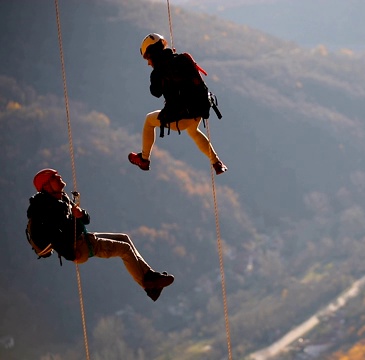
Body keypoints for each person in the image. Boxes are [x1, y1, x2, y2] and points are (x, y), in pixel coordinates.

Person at [26, 168, 175, 301]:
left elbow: (87, 220)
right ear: (46, 186)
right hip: (79, 247)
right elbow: (53, 236)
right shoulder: (49, 209)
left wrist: (81, 214)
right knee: (124, 249)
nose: (59, 177)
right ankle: (148, 285)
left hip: (82, 238)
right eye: (54, 177)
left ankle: (150, 276)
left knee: (124, 238)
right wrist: (70, 254)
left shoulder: (62, 199)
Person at [128, 33, 228, 175]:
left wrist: (157, 75)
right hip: (199, 110)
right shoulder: (180, 59)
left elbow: (155, 92)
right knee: (193, 131)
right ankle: (217, 163)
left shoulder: (158, 71)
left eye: (147, 58)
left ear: (152, 54)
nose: (148, 63)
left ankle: (144, 159)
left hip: (182, 117)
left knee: (149, 120)